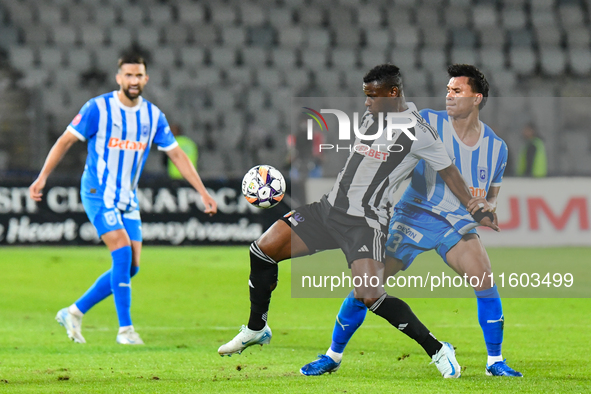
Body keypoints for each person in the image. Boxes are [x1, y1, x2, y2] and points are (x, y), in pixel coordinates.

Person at [218, 64, 499, 378]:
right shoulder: (372, 116)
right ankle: (257, 328)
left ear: (393, 93)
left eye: (372, 96)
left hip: (365, 223)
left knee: (369, 295)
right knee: (262, 250)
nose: (366, 102)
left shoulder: (420, 133)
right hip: (326, 211)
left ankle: (437, 348)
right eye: (365, 96)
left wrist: (475, 205)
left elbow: (450, 174)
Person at [301, 64, 522, 377]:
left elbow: (490, 197)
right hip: (414, 215)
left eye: (457, 91)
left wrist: (487, 211)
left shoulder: (497, 148)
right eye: (447, 90)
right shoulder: (426, 121)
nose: (448, 95)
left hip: (455, 225)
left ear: (477, 98)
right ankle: (332, 356)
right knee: (367, 287)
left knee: (484, 278)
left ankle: (495, 362)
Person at [29, 53, 217, 345]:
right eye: (128, 75)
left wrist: (202, 191)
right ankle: (126, 330)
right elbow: (65, 140)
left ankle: (74, 311)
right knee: (122, 249)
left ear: (146, 78)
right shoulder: (97, 108)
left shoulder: (153, 116)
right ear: (118, 77)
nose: (133, 80)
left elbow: (177, 154)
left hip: (127, 197)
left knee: (132, 266)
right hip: (97, 193)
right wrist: (42, 177)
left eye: (138, 75)